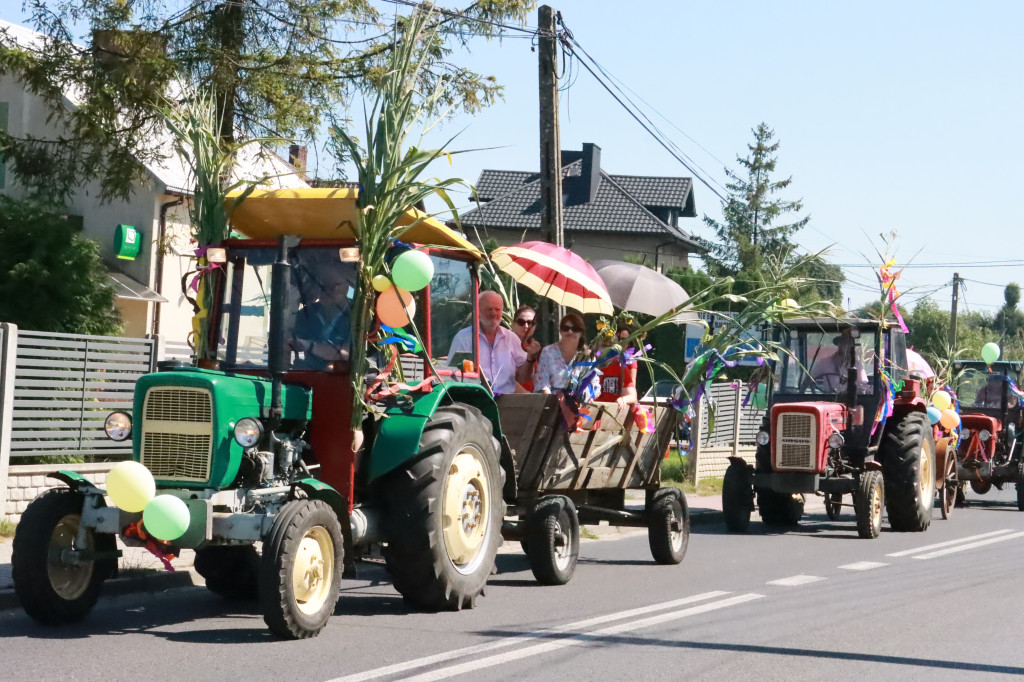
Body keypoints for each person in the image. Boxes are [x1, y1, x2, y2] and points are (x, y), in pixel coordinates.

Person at [446, 291, 529, 394]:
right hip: (477, 400)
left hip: (509, 401)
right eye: (489, 309)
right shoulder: (463, 338)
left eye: (497, 309)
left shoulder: (511, 338)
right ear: (478, 311)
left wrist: (532, 358)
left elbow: (524, 376)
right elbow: (453, 374)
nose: (494, 313)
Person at [290, 266, 353, 370]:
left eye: (328, 286)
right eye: (318, 285)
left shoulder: (356, 317)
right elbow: (292, 340)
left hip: (342, 378)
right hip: (307, 376)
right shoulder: (305, 314)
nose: (322, 291)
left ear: (346, 288)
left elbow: (349, 353)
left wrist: (310, 346)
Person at [534, 313, 585, 393]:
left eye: (575, 329)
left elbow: (593, 384)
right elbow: (542, 383)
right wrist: (553, 401)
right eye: (566, 328)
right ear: (560, 331)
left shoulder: (586, 356)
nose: (570, 332)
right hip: (551, 401)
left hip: (580, 402)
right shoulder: (548, 352)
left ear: (581, 333)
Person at [594, 325, 639, 409]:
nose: (607, 350)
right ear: (597, 347)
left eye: (611, 346)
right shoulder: (589, 366)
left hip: (612, 413)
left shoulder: (621, 366)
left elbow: (633, 395)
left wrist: (623, 399)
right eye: (604, 346)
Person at [511, 304, 543, 392]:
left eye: (530, 323)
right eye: (521, 322)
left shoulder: (533, 347)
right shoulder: (505, 344)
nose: (526, 326)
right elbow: (507, 379)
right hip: (512, 398)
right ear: (513, 324)